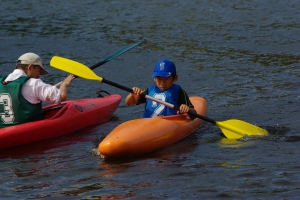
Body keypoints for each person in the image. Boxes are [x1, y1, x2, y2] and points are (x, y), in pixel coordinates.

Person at [0, 52, 75, 128]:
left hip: (3, 131)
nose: (38, 75)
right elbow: (62, 97)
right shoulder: (33, 83)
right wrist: (64, 84)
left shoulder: (1, 82)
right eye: (38, 71)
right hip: (26, 131)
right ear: (30, 67)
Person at [125, 59, 197, 119]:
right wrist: (132, 94)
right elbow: (129, 103)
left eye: (166, 79)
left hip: (169, 124)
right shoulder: (149, 91)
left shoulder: (179, 92)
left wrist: (187, 109)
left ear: (175, 78)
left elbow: (194, 114)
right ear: (154, 79)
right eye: (159, 79)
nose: (162, 83)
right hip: (147, 124)